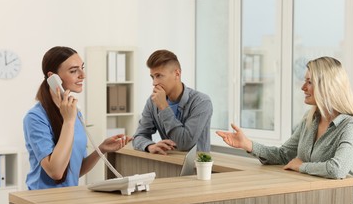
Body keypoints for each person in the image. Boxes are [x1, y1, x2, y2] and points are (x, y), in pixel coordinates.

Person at [216, 56, 353, 204]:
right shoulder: (310, 120)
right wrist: (248, 145)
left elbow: (336, 169)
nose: (303, 87)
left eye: (309, 82)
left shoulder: (352, 126)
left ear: (327, 86)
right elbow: (285, 154)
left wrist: (302, 166)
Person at [23, 46, 131, 190]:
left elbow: (74, 170)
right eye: (74, 71)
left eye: (82, 68)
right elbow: (56, 172)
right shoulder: (35, 118)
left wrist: (102, 149)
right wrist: (68, 121)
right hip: (42, 200)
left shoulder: (74, 113)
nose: (82, 75)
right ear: (53, 78)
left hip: (69, 196)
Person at [132, 49, 213, 154]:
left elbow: (184, 144)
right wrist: (150, 146)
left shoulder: (201, 102)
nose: (154, 83)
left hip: (195, 168)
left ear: (177, 74)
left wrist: (164, 108)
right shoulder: (152, 102)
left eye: (159, 76)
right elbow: (138, 136)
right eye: (152, 77)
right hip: (168, 165)